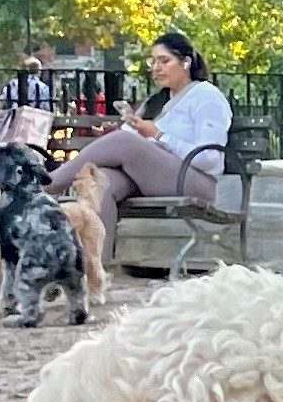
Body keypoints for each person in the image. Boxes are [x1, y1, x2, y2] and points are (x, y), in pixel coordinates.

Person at [46, 29, 230, 251]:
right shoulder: (157, 101)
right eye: (153, 62)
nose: (156, 68)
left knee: (124, 141)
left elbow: (209, 159)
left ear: (186, 62)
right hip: (150, 179)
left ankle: (49, 184)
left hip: (195, 182)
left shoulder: (206, 96)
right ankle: (99, 269)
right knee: (99, 182)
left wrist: (158, 136)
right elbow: (128, 141)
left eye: (164, 61)